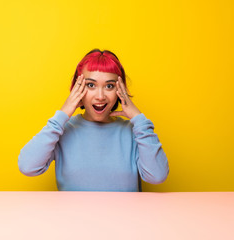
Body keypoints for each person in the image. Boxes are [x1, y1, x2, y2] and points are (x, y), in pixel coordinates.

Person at [18, 49, 169, 192]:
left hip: (125, 218)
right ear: (77, 90)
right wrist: (62, 114)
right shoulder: (62, 130)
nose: (100, 96)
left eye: (109, 86)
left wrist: (139, 120)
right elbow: (27, 166)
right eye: (91, 85)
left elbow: (158, 176)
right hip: (73, 218)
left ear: (119, 91)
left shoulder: (134, 132)